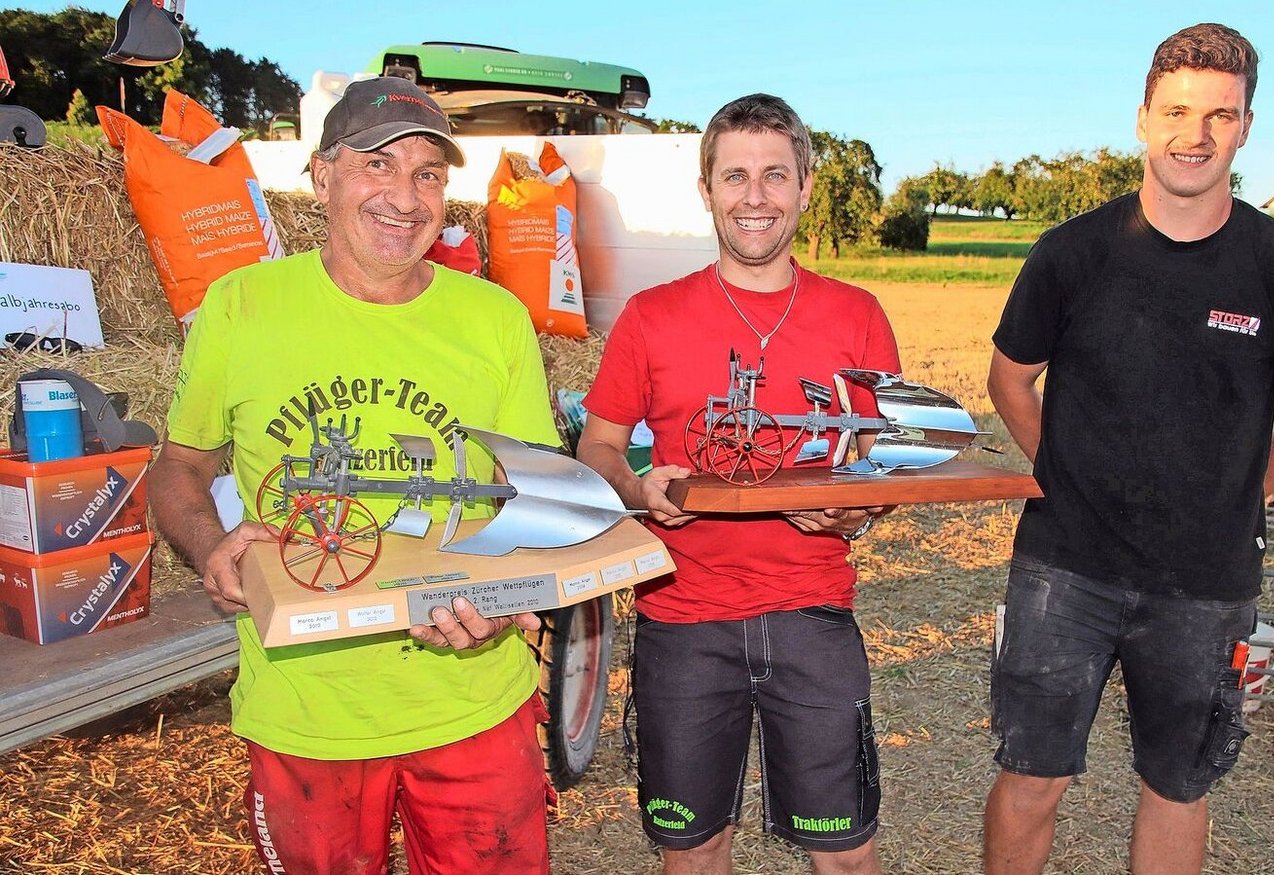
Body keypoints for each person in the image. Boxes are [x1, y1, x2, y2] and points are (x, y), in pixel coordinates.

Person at [148, 76, 558, 875]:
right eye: (378, 164)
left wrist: (508, 600)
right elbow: (180, 466)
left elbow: (532, 494)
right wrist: (211, 547)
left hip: (474, 704)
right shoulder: (241, 308)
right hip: (308, 714)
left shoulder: (494, 318)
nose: (405, 197)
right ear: (323, 177)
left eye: (429, 174)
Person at [983, 23, 1274, 875]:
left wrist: (1238, 494)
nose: (1195, 135)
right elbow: (1011, 381)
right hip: (1063, 569)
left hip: (1206, 583)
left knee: (1178, 787)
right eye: (1178, 111)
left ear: (1247, 127)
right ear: (1143, 118)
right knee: (1030, 775)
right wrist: (1064, 477)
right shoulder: (1072, 252)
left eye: (1219, 116)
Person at [578, 93, 896, 875]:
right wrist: (639, 487)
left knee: (847, 852)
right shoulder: (651, 317)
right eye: (735, 176)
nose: (755, 198)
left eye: (775, 176)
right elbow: (600, 449)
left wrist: (851, 517)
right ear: (706, 188)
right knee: (693, 848)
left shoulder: (856, 315)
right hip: (682, 619)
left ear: (806, 187)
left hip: (812, 615)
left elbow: (881, 463)